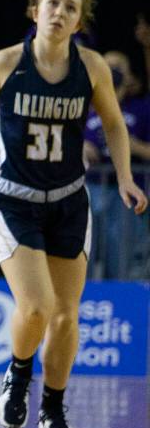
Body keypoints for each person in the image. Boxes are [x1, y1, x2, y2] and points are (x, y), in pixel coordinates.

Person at [0, 0, 148, 428]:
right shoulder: (6, 62)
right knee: (38, 307)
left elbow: (113, 124)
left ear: (79, 21)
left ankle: (53, 408)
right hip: (13, 200)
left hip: (68, 199)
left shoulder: (92, 67)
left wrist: (125, 177)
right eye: (53, 3)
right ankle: (18, 374)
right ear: (35, 10)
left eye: (70, 7)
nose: (60, 12)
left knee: (66, 314)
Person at [83, 51, 150, 278]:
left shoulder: (141, 109)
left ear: (130, 75)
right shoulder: (81, 107)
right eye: (107, 66)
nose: (112, 73)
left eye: (119, 68)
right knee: (83, 259)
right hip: (88, 191)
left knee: (122, 262)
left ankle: (124, 310)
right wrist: (77, 146)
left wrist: (135, 147)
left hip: (126, 196)